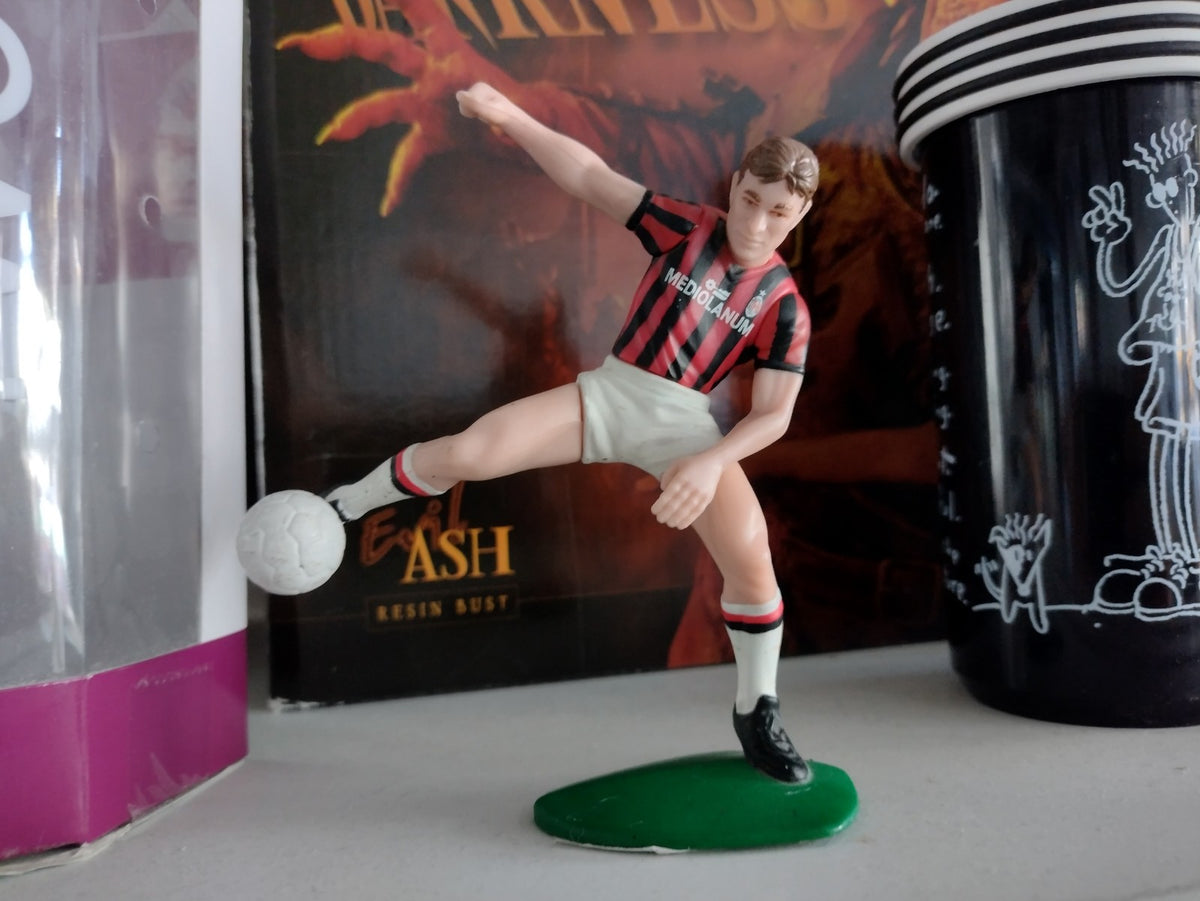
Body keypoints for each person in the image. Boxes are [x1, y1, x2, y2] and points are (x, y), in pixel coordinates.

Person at [327, 81, 818, 783]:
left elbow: (773, 414)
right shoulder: (690, 227)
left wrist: (711, 461)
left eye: (778, 213)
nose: (758, 224)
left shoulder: (785, 306)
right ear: (735, 185)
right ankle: (345, 505)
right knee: (473, 451)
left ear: (799, 214)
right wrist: (508, 115)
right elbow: (589, 177)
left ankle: (757, 709)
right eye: (750, 201)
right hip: (612, 393)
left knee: (749, 553)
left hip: (684, 425)